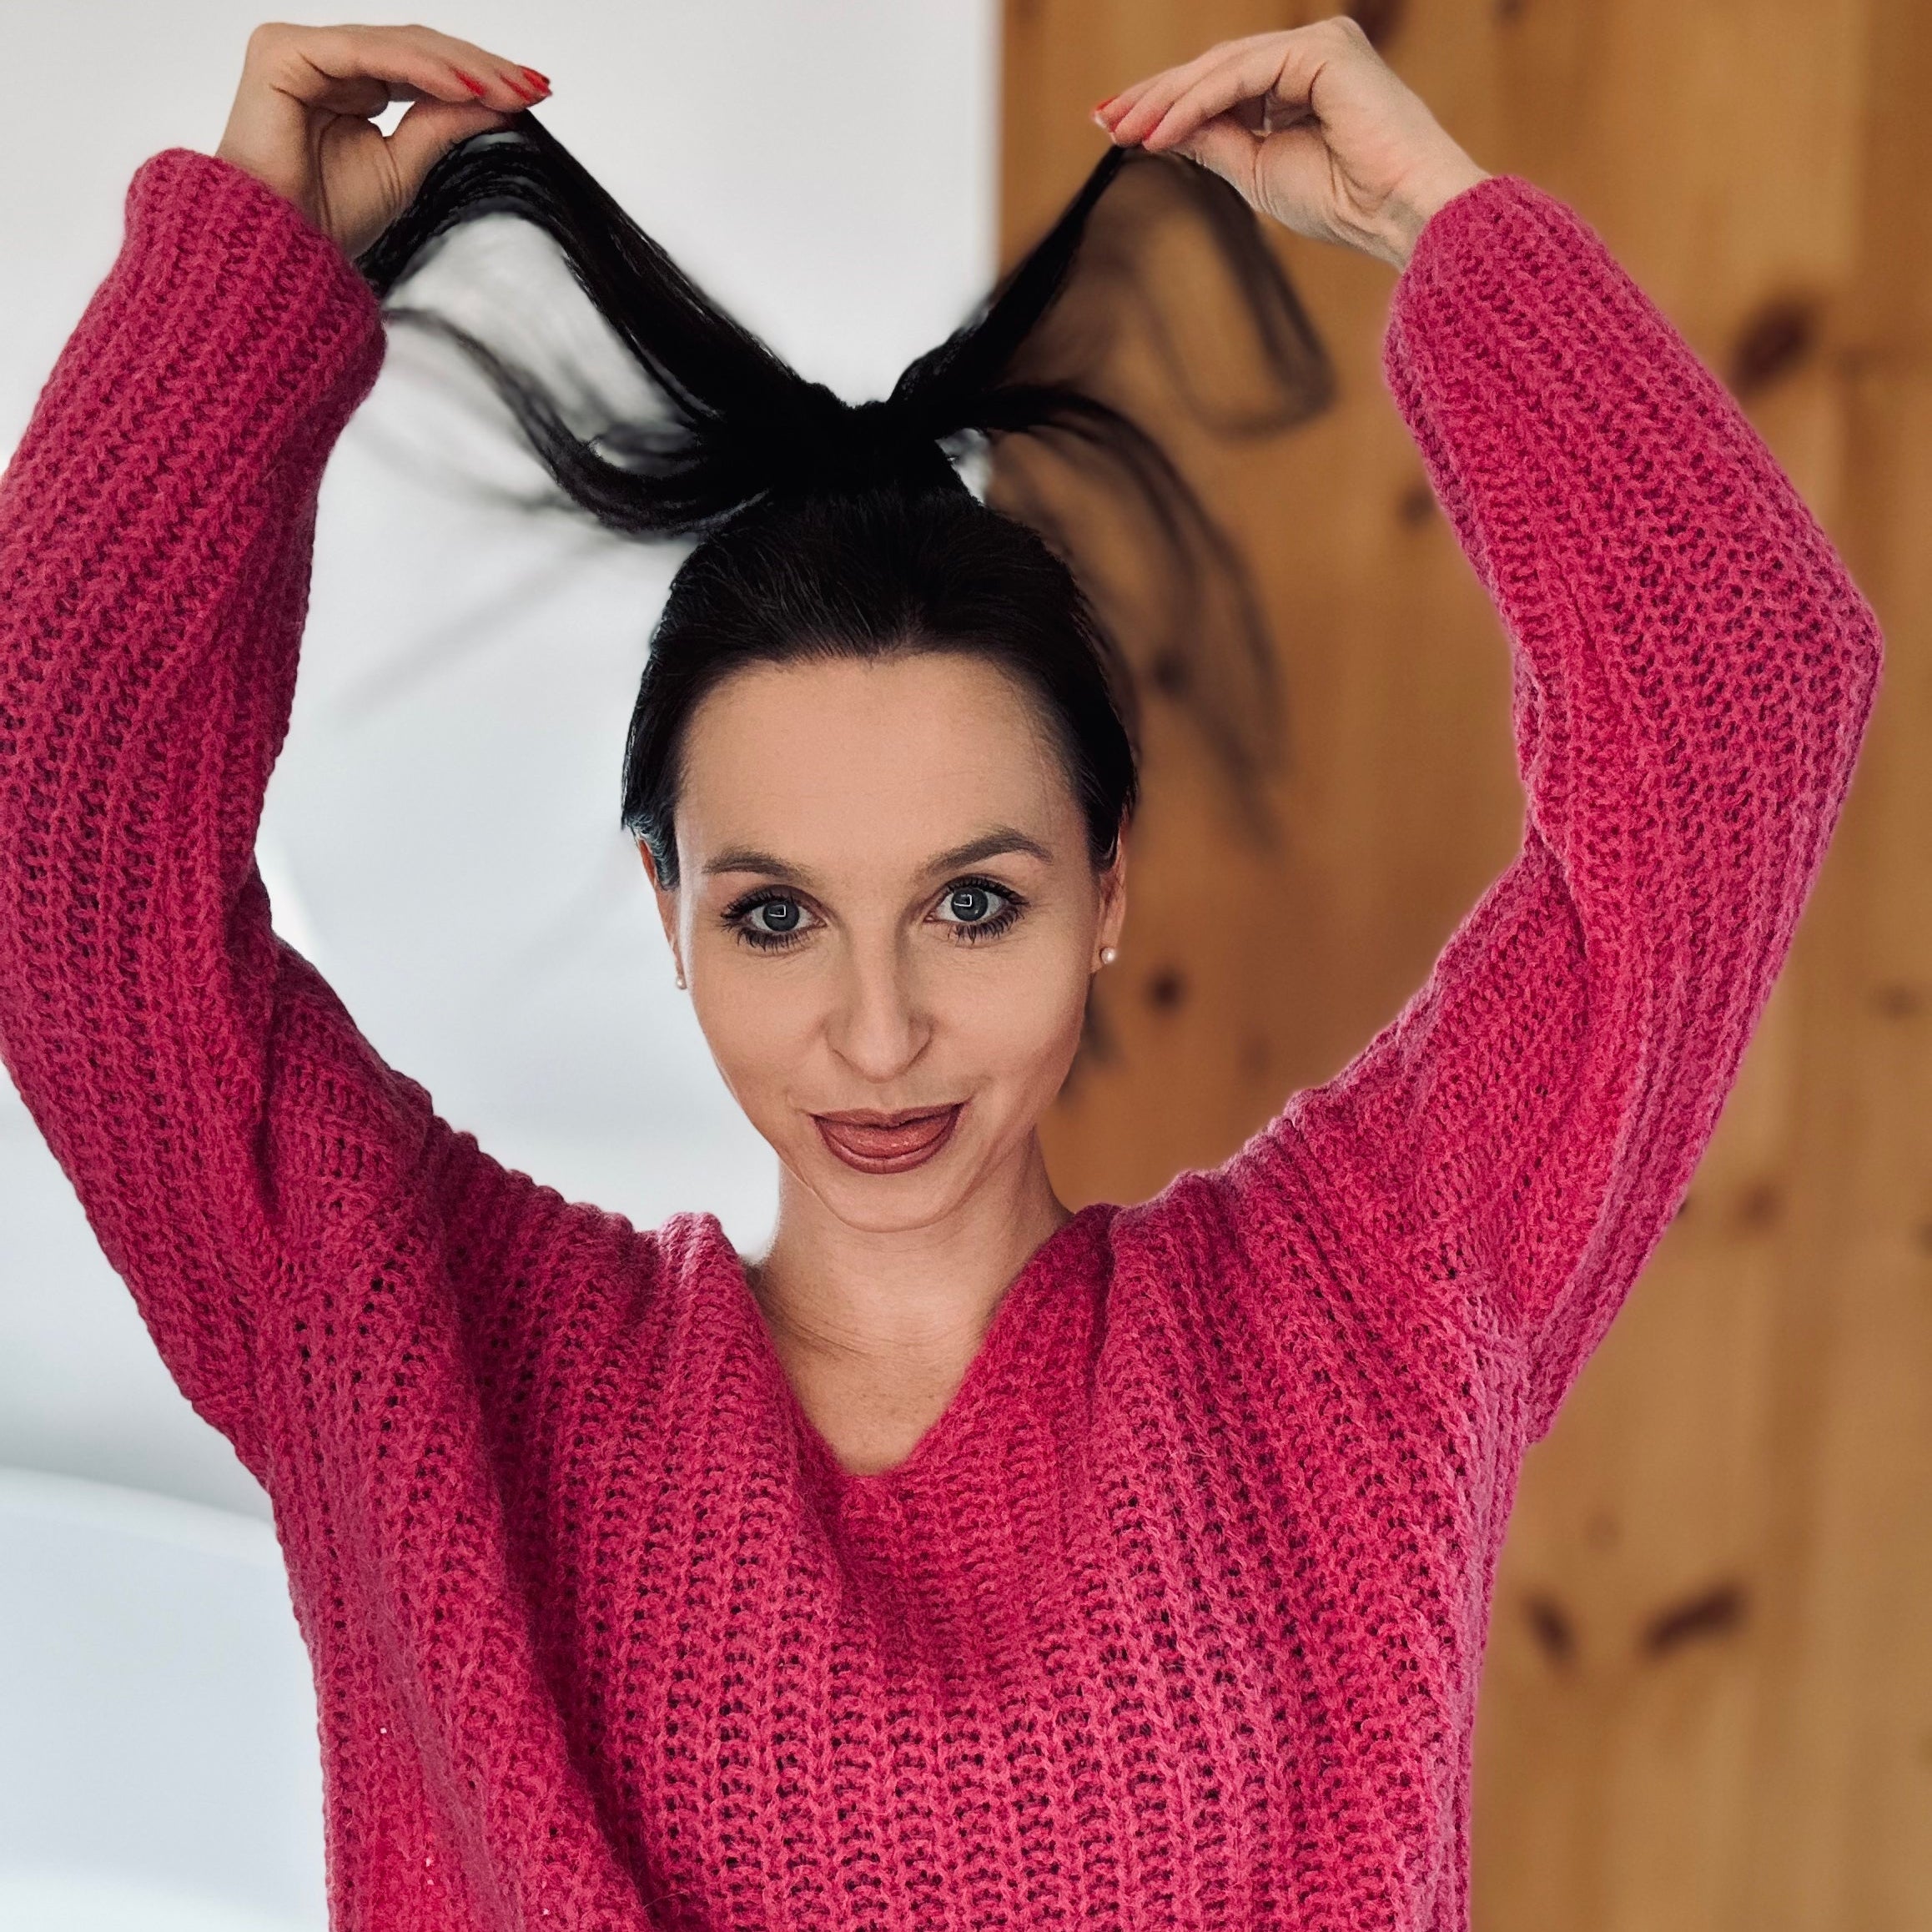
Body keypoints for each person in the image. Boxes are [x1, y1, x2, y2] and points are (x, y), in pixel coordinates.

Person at [0, 16, 1881, 1931]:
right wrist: (240, 277)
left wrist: (1448, 231)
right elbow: (51, 827)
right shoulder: (431, 1355)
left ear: (1106, 887)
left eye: (971, 905)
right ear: (667, 909)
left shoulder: (1362, 1314)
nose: (879, 1032)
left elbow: (1741, 711)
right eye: (777, 916)